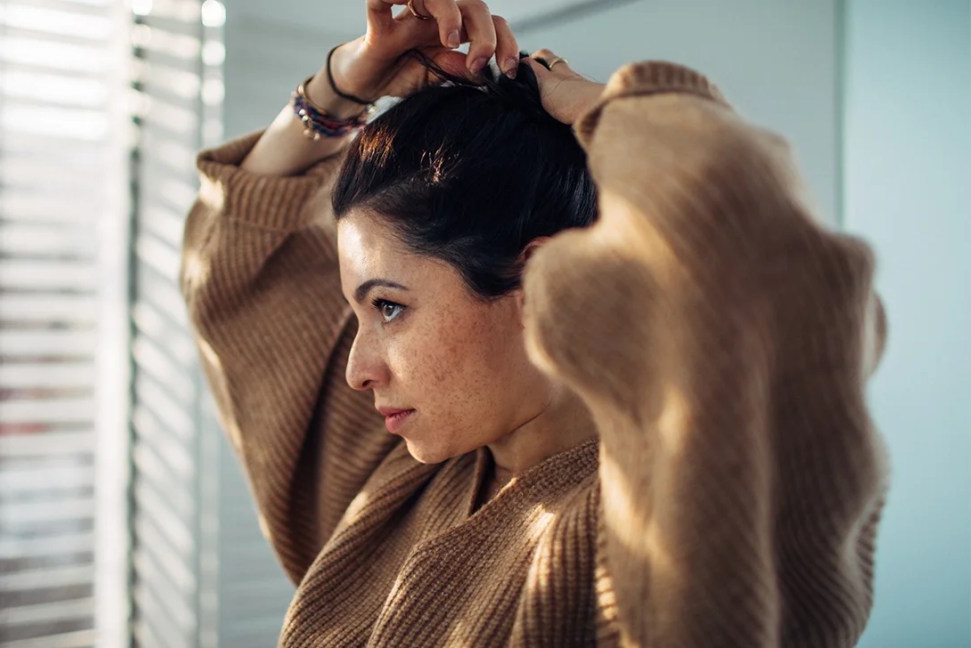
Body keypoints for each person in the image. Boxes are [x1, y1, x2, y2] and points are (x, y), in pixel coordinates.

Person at [179, 0, 890, 645]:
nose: (356, 368)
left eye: (389, 307)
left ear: (540, 283)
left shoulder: (672, 522)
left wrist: (604, 107)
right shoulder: (396, 479)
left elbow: (788, 281)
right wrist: (343, 88)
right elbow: (243, 263)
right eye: (358, 311)